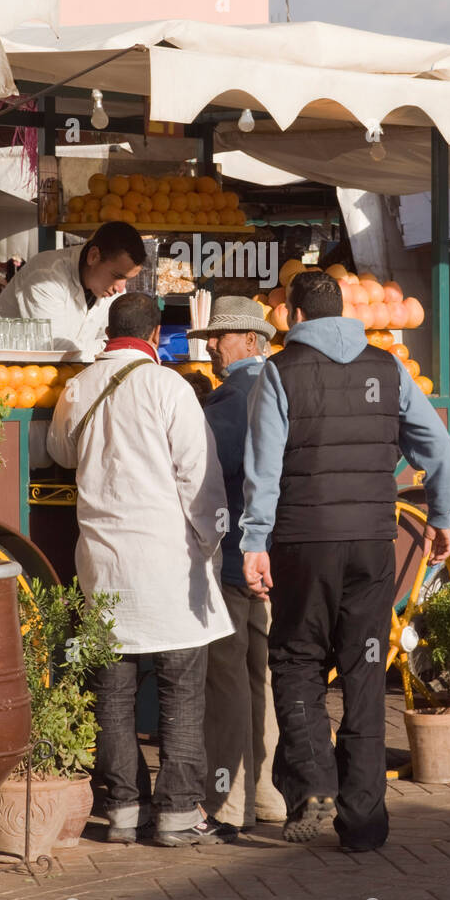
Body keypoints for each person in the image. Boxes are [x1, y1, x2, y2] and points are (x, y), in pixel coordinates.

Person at [240, 270, 450, 853]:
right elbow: (439, 451)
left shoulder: (279, 371)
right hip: (371, 541)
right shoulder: (387, 369)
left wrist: (254, 542)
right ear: (345, 313)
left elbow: (262, 469)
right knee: (364, 671)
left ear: (292, 316)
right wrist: (440, 518)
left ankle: (313, 784)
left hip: (302, 543)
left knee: (295, 659)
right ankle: (364, 823)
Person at [46, 291, 236, 847]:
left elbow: (59, 451)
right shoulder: (170, 387)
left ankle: (124, 810)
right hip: (170, 568)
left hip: (103, 567)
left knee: (113, 693)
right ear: (155, 335)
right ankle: (178, 815)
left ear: (110, 333)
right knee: (181, 693)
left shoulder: (78, 386)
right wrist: (211, 543)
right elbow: (199, 480)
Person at [186, 298, 288, 834]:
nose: (208, 345)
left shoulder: (230, 402)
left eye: (218, 336)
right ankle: (268, 795)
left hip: (232, 563)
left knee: (227, 681)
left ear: (250, 341)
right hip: (276, 561)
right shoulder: (279, 389)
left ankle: (226, 803)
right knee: (264, 678)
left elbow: (203, 473)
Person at [0, 220, 146, 356]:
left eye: (126, 279)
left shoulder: (113, 291)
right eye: (117, 276)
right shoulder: (46, 274)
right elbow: (54, 348)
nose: (121, 288)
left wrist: (107, 348)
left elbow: (116, 342)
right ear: (93, 256)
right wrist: (105, 348)